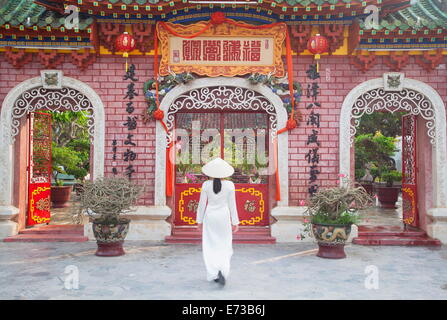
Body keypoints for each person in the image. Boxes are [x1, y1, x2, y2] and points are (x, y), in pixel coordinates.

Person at [196, 157, 240, 286]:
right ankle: (223, 269)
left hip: (210, 217)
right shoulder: (230, 185)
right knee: (224, 244)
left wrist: (199, 221)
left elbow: (202, 205)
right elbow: (233, 205)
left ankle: (213, 272)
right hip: (224, 217)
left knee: (210, 245)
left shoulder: (206, 185)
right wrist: (235, 222)